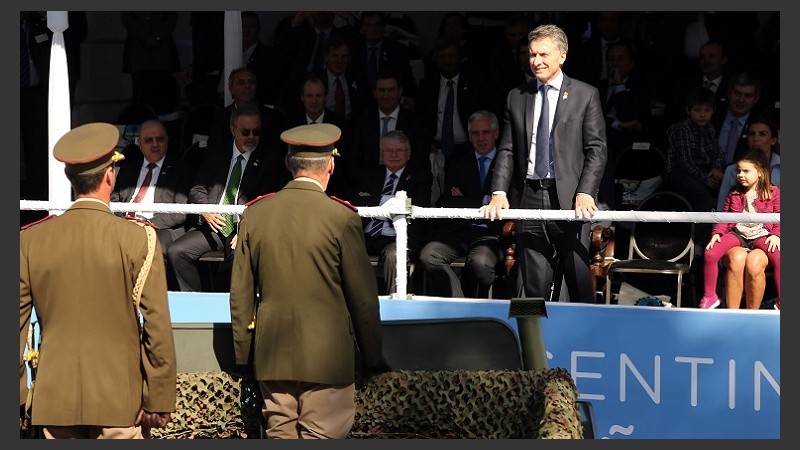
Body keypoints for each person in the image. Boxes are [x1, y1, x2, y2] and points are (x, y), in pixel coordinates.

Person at [229, 123, 389, 439]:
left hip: (272, 354)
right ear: (331, 164)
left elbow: (241, 297)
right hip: (327, 358)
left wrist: (244, 356)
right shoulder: (341, 217)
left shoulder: (255, 215)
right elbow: (363, 299)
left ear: (289, 164)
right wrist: (372, 357)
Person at [20, 122, 176, 438]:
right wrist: (158, 398)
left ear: (71, 179)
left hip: (55, 401)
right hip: (121, 401)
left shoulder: (30, 240)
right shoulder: (139, 238)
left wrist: (21, 400)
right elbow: (156, 323)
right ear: (109, 175)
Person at [482, 24, 608, 303]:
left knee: (578, 279)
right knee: (531, 284)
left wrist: (586, 191)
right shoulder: (517, 96)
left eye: (543, 54)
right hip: (528, 195)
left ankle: (584, 340)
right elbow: (507, 149)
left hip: (571, 198)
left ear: (562, 55)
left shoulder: (585, 94)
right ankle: (533, 342)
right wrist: (499, 192)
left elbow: (597, 149)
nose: (535, 61)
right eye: (531, 54)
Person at [168, 105, 285, 292]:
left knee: (241, 255)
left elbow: (267, 201)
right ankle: (195, 305)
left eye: (256, 132)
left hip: (243, 227)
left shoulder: (268, 160)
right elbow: (197, 188)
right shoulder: (217, 153)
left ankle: (236, 313)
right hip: (214, 224)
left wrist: (247, 231)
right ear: (233, 130)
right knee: (177, 252)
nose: (251, 137)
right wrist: (205, 210)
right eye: (245, 132)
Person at [418, 110, 503, 298]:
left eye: (486, 132)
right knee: (429, 255)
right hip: (458, 230)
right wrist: (485, 200)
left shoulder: (507, 162)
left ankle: (474, 309)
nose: (480, 138)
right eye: (475, 133)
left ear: (496, 134)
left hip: (490, 232)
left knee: (480, 263)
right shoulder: (458, 162)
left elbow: (508, 202)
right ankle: (461, 305)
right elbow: (448, 200)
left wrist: (465, 199)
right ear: (469, 137)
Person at [111, 119, 196, 290]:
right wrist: (125, 222)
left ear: (167, 141)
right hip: (126, 225)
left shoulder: (182, 169)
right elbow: (114, 201)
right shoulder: (128, 168)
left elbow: (180, 213)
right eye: (149, 140)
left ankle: (150, 302)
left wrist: (145, 224)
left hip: (162, 228)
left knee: (150, 248)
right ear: (139, 144)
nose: (155, 144)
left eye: (160, 139)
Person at [352, 130, 432, 295]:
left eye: (399, 150)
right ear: (381, 154)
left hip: (397, 236)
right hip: (367, 235)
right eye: (388, 150)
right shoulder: (370, 175)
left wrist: (376, 201)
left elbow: (415, 206)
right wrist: (392, 204)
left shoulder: (420, 177)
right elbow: (357, 203)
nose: (394, 154)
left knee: (394, 256)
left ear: (408, 154)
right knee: (344, 249)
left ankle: (395, 309)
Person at [699, 150, 780, 310]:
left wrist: (777, 235)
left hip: (763, 234)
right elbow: (726, 217)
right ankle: (710, 296)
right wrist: (717, 233)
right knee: (710, 253)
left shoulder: (774, 192)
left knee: (780, 257)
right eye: (738, 170)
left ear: (761, 173)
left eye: (746, 171)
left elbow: (779, 216)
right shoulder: (734, 192)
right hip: (737, 233)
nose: (740, 175)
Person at [664, 87, 725, 214]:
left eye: (707, 110)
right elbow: (685, 162)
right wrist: (705, 179)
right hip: (680, 172)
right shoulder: (683, 129)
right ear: (688, 110)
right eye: (697, 110)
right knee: (704, 199)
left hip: (703, 170)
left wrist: (716, 168)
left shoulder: (710, 128)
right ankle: (701, 233)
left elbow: (717, 152)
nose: (702, 114)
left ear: (713, 110)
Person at [716, 114, 780, 212]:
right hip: (739, 225)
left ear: (773, 140)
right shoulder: (732, 170)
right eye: (752, 134)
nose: (756, 139)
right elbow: (721, 210)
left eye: (762, 134)